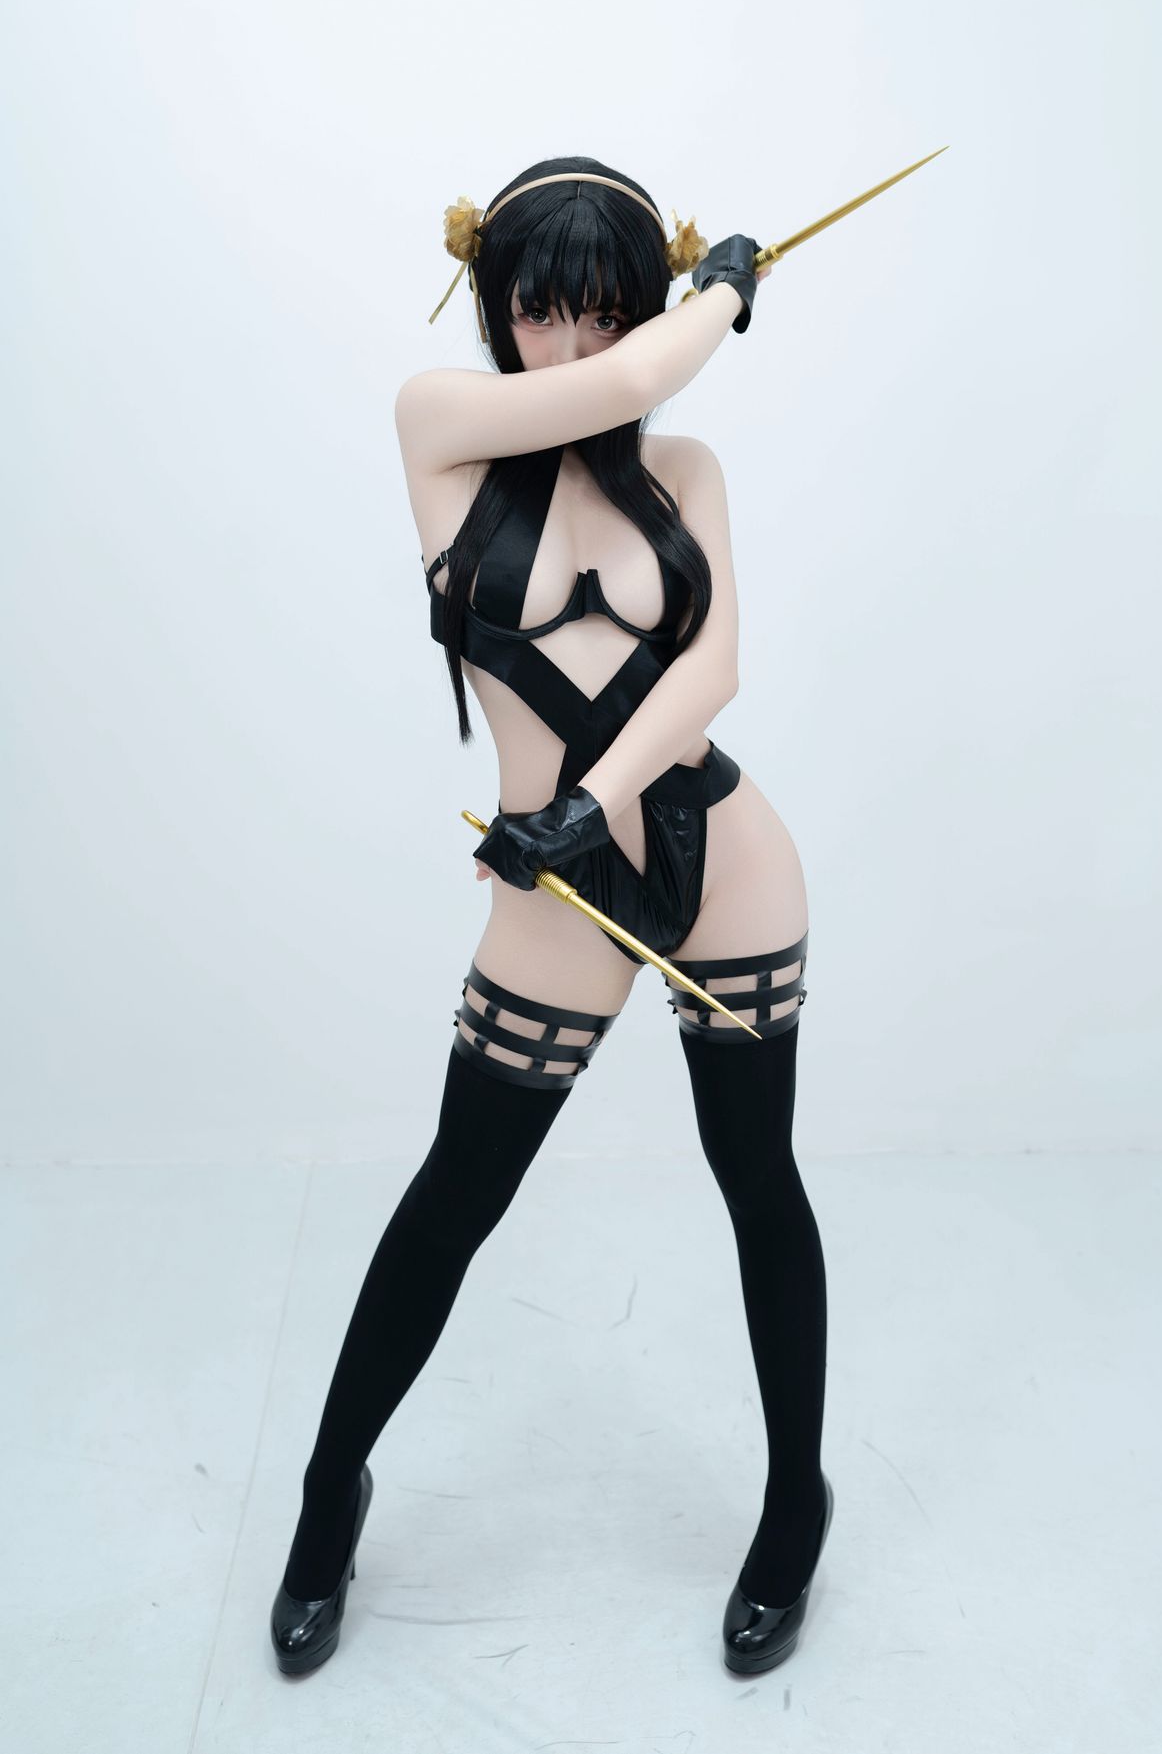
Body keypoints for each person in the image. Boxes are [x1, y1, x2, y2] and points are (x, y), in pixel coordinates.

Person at [270, 156, 833, 1680]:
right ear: (495, 310)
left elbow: (714, 670)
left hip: (723, 859)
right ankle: (328, 1492)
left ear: (636, 312)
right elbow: (635, 377)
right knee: (455, 1195)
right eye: (541, 313)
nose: (572, 349)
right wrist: (719, 293)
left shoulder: (686, 471)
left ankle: (797, 1501)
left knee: (758, 1180)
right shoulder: (441, 429)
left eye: (604, 317)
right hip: (554, 901)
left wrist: (593, 800)